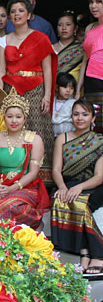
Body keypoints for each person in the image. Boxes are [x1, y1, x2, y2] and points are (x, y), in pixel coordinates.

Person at [0, 0, 57, 184]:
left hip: (36, 89)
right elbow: (0, 69)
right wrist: (0, 95)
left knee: (38, 129)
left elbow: (47, 68)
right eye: (13, 11)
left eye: (21, 10)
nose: (17, 14)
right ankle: (15, 175)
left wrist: (47, 96)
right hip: (11, 90)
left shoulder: (41, 38)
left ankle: (43, 179)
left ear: (29, 14)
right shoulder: (3, 41)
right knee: (13, 130)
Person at [0, 88, 49, 229]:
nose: (14, 121)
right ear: (3, 117)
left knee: (8, 205)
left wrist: (13, 188)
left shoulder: (34, 139)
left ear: (25, 117)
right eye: (10, 116)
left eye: (18, 117)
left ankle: (32, 226)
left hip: (26, 187)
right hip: (1, 186)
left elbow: (33, 172)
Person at [50, 100, 103, 274]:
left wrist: (79, 188)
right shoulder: (62, 138)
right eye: (76, 114)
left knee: (80, 203)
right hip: (68, 183)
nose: (80, 118)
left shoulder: (100, 141)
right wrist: (62, 187)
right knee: (60, 200)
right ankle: (84, 251)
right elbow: (56, 169)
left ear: (93, 118)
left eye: (85, 114)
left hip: (93, 185)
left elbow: (99, 176)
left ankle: (95, 254)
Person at [77, 0, 103, 132]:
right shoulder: (89, 29)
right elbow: (85, 61)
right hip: (91, 82)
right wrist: (78, 90)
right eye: (91, 2)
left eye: (98, 2)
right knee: (93, 125)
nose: (93, 6)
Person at [53, 11, 84, 84]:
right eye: (60, 25)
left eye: (68, 24)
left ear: (75, 28)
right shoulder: (49, 49)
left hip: (75, 92)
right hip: (52, 93)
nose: (64, 28)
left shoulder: (81, 49)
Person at [52, 73, 77, 137]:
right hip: (52, 136)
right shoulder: (51, 101)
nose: (68, 90)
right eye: (65, 87)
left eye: (71, 88)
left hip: (68, 136)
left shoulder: (74, 103)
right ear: (57, 87)